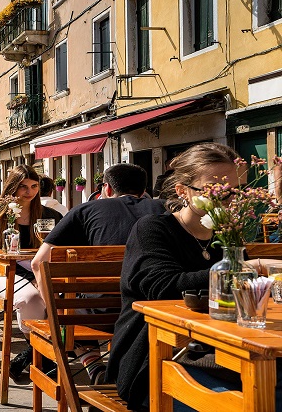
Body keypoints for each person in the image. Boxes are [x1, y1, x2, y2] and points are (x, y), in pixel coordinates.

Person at [105, 143, 282, 410]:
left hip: (222, 351)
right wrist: (251, 266)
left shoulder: (227, 232)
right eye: (215, 190)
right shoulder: (152, 229)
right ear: (182, 191)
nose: (227, 199)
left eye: (234, 191)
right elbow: (163, 286)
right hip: (156, 357)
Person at [23, 163, 166, 381]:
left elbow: (38, 263)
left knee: (68, 304)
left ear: (106, 189)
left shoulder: (85, 210)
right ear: (144, 191)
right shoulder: (165, 209)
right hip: (154, 312)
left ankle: (94, 364)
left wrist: (54, 312)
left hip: (101, 314)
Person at [0, 165, 63, 371]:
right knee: (31, 299)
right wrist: (30, 275)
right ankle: (41, 354)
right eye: (23, 187)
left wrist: (39, 273)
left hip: (43, 270)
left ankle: (36, 353)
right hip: (1, 271)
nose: (30, 192)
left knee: (67, 295)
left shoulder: (50, 215)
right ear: (12, 188)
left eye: (34, 186)